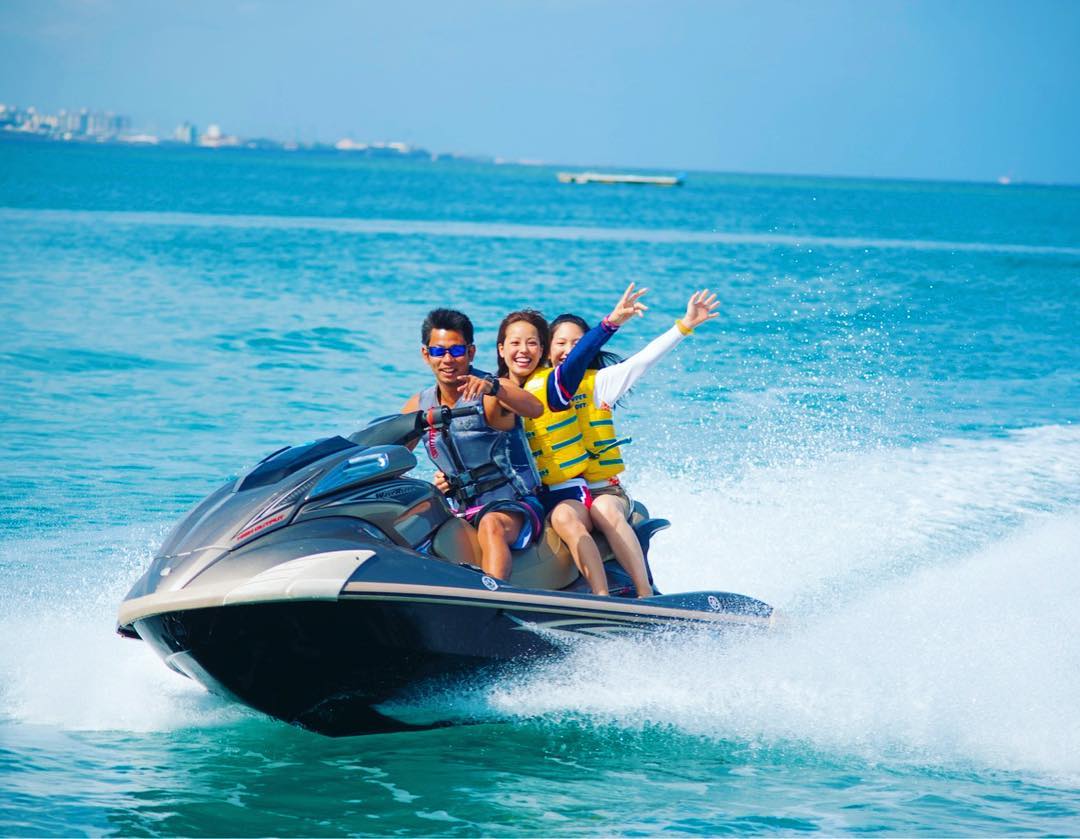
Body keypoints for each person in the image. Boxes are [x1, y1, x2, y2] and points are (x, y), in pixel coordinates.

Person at [545, 289, 720, 597]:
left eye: (577, 343)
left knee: (603, 510)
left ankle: (645, 595)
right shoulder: (535, 391)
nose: (569, 350)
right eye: (560, 343)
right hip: (566, 494)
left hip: (604, 491)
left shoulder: (601, 383)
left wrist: (685, 325)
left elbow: (645, 359)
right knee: (564, 516)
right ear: (547, 349)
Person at [493, 283, 649, 596]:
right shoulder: (492, 391)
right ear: (501, 349)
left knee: (567, 517)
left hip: (568, 492)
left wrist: (611, 323)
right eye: (515, 343)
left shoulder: (554, 385)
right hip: (522, 495)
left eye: (532, 343)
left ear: (542, 350)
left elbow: (579, 358)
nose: (523, 351)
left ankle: (605, 598)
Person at [401, 308, 545, 581]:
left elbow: (535, 408)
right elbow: (393, 453)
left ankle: (494, 596)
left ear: (471, 352)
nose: (447, 360)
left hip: (513, 506)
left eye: (456, 351)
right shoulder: (420, 405)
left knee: (491, 524)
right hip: (460, 509)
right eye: (438, 351)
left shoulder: (490, 392)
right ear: (426, 354)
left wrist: (494, 388)